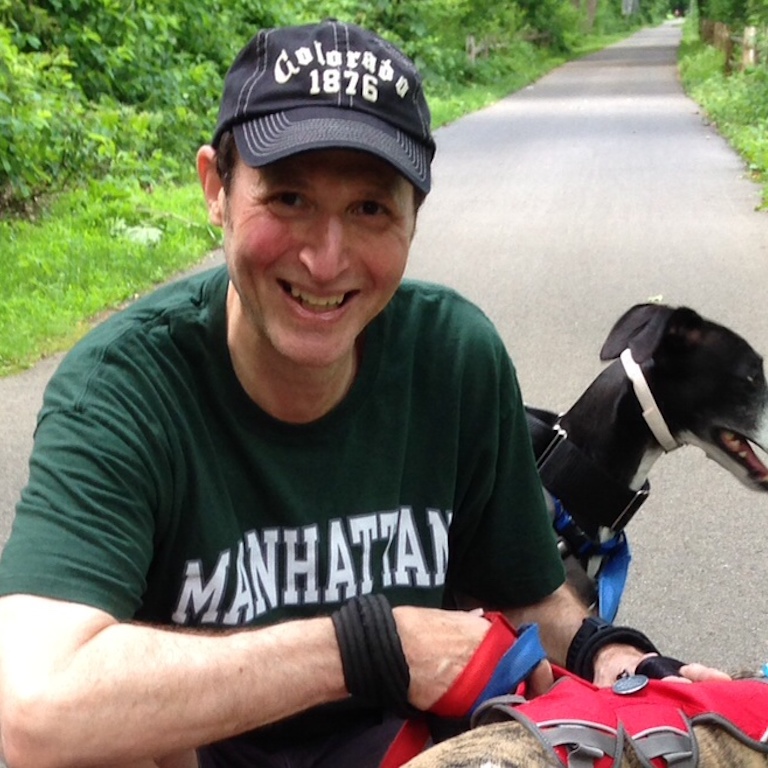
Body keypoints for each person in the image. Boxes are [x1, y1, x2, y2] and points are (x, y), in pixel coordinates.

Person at [0, 19, 725, 768]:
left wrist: (611, 655)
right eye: (287, 199)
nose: (325, 258)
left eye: (370, 209)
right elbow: (30, 709)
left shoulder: (452, 358)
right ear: (216, 188)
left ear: (414, 216)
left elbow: (528, 596)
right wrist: (369, 647)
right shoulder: (126, 389)